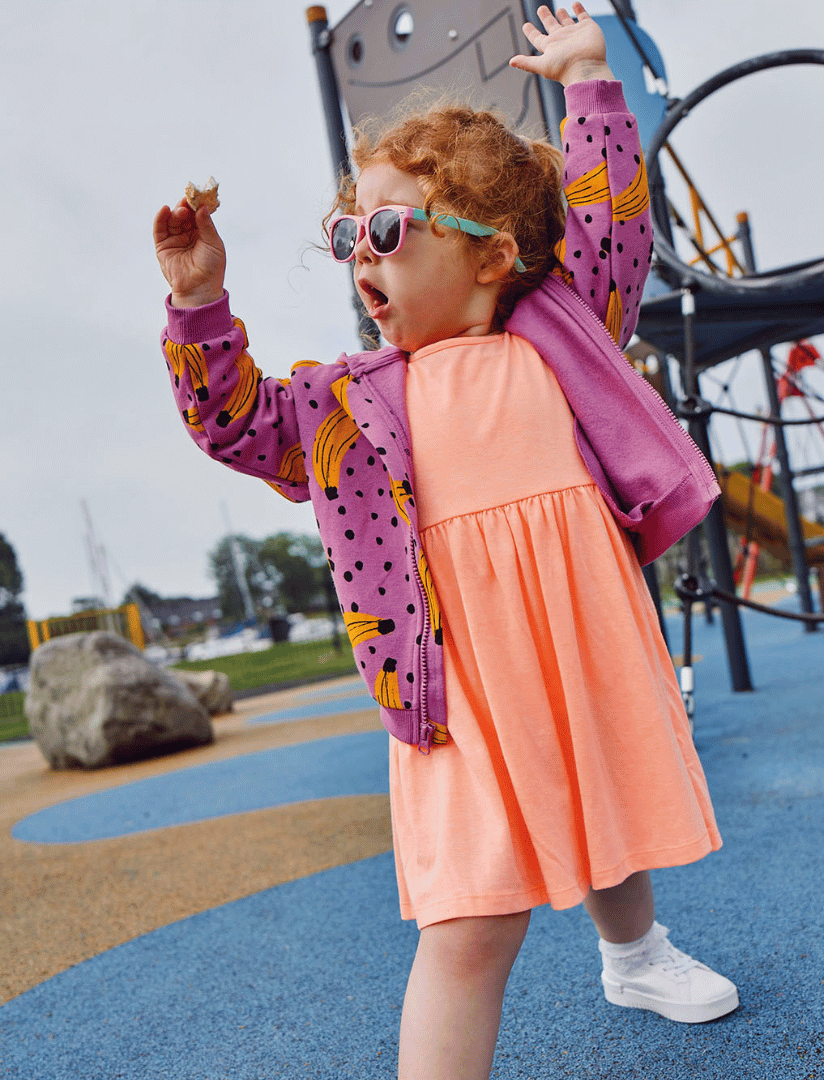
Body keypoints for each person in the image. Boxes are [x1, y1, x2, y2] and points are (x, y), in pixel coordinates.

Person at [153, 6, 737, 1077]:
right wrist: (201, 306)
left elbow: (614, 231)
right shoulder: (351, 405)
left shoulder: (562, 331)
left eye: (385, 231)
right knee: (470, 921)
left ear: (493, 254)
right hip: (454, 682)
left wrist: (592, 85)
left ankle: (636, 953)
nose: (357, 256)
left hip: (576, 647)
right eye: (346, 237)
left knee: (607, 807)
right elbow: (234, 421)